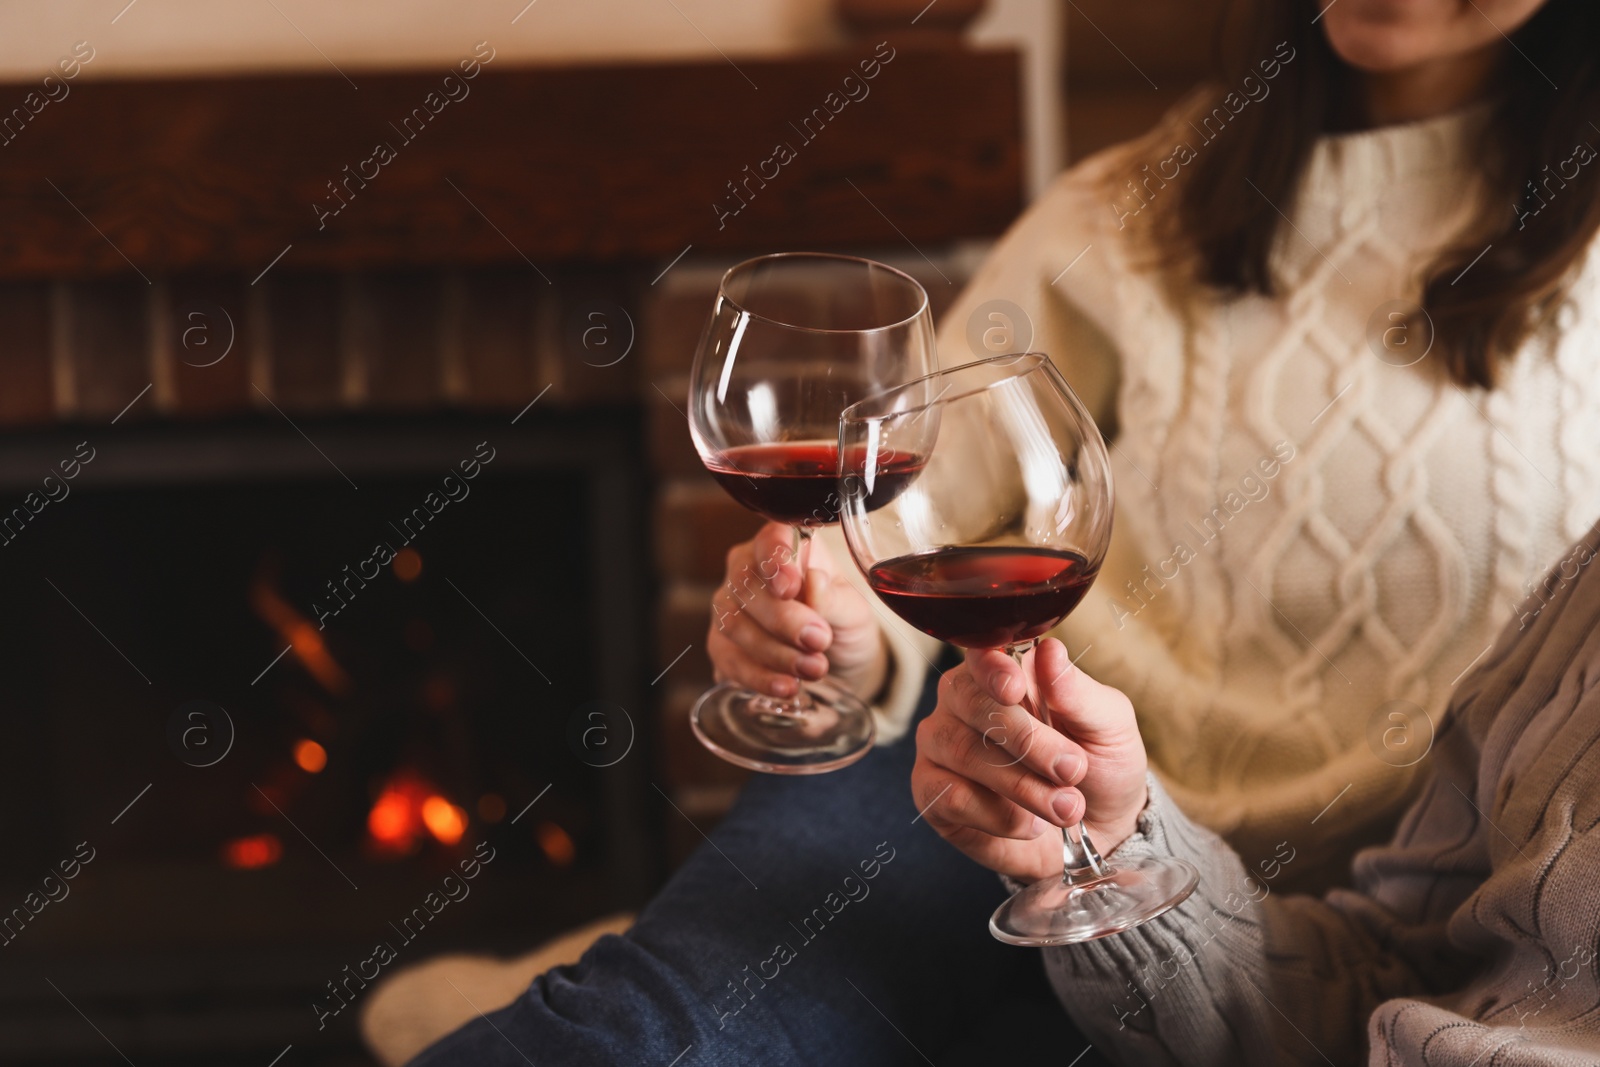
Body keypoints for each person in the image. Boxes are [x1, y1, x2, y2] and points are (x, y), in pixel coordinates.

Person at [403, 0, 1600, 1062]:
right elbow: (914, 500)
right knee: (655, 1026)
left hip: (1341, 913)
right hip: (989, 770)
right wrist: (839, 632)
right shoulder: (1139, 203)